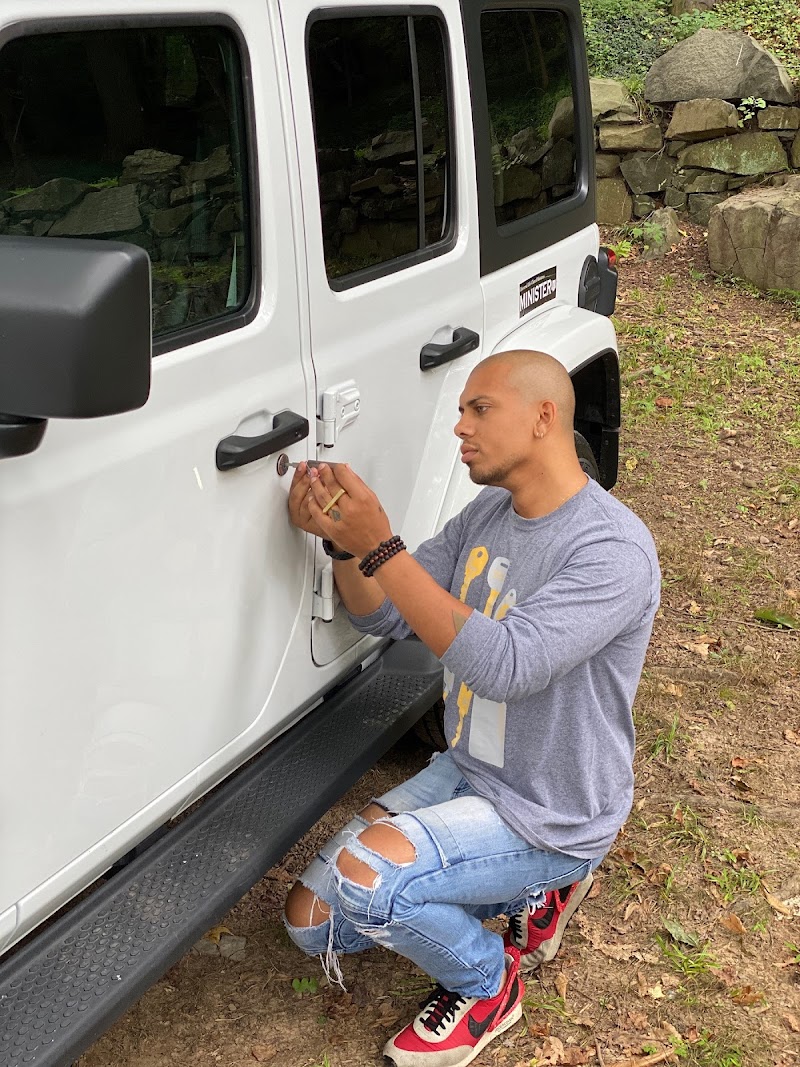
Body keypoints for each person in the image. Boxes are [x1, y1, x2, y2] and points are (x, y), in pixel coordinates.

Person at [284, 350, 660, 1067]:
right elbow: (384, 612)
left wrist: (381, 544)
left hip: (549, 809)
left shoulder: (612, 550)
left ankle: (490, 982)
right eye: (461, 409)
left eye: (479, 409)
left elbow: (505, 665)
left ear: (543, 417)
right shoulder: (490, 512)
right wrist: (343, 543)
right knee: (314, 925)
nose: (460, 426)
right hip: (470, 769)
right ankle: (520, 895)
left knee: (369, 880)